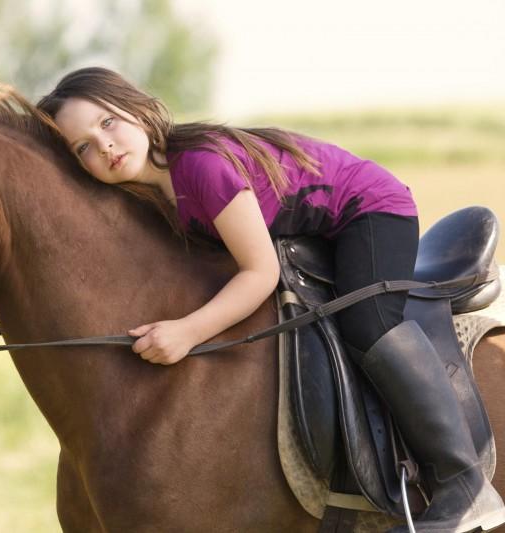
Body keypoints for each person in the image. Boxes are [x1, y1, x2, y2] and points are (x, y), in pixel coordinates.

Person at [36, 67, 505, 532]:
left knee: (369, 323)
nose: (105, 146)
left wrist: (187, 331)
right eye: (84, 148)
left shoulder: (200, 166)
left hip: (368, 209)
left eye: (107, 124)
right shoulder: (152, 196)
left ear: (135, 108)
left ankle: (464, 483)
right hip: (315, 229)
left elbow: (260, 273)